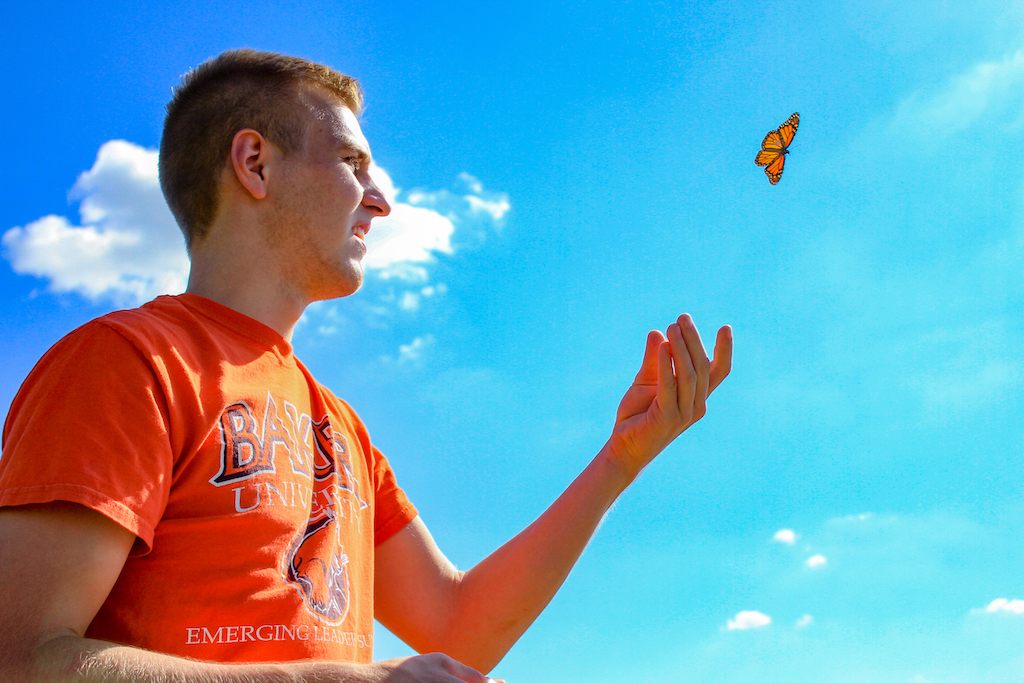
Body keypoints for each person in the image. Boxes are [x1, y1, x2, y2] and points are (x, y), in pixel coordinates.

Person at [0, 49, 733, 683]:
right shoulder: (127, 362)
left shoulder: (342, 426)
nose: (381, 199)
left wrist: (621, 457)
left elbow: (456, 626)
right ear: (255, 163)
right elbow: (20, 656)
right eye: (353, 162)